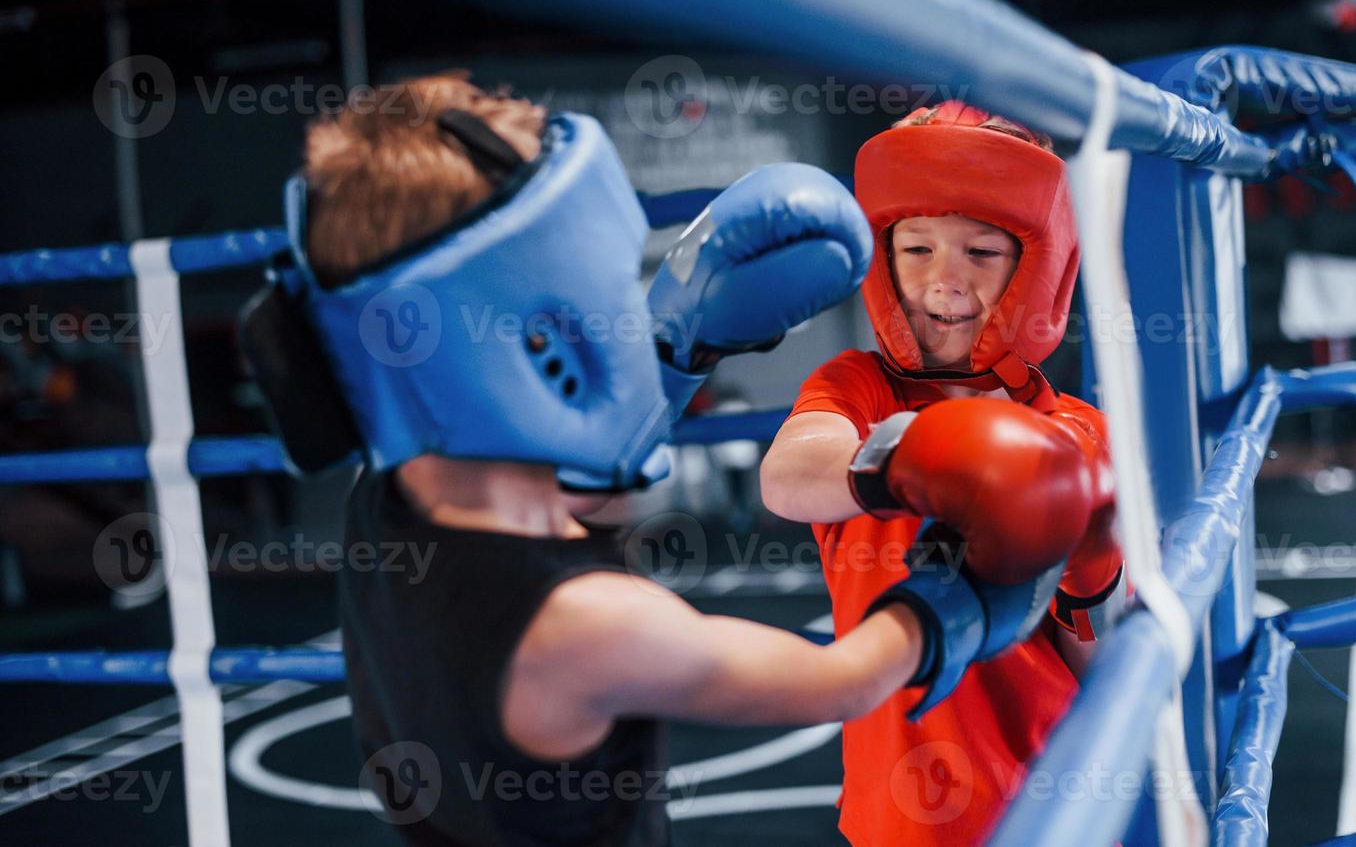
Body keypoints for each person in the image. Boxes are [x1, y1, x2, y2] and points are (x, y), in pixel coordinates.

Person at [241, 75, 1071, 847]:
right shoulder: (589, 626)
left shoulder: (389, 499)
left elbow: (576, 476)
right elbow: (842, 679)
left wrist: (677, 347)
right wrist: (957, 597)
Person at [760, 101, 1127, 845]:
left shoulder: (1078, 430)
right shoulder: (860, 388)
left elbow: (1103, 670)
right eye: (916, 249)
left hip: (1055, 801)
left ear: (1037, 265)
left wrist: (1091, 582)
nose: (944, 283)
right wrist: (914, 457)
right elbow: (788, 477)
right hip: (901, 809)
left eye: (981, 253)